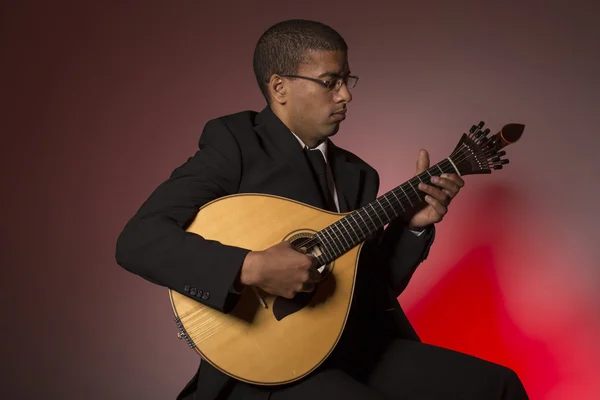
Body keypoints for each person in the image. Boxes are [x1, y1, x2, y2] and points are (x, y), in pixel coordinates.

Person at [115, 19, 529, 400]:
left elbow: (370, 289)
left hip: (352, 347)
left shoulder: (357, 175)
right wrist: (251, 267)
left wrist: (412, 227)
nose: (346, 94)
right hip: (267, 364)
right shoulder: (236, 145)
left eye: (347, 80)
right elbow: (139, 240)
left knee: (498, 387)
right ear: (280, 88)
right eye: (330, 82)